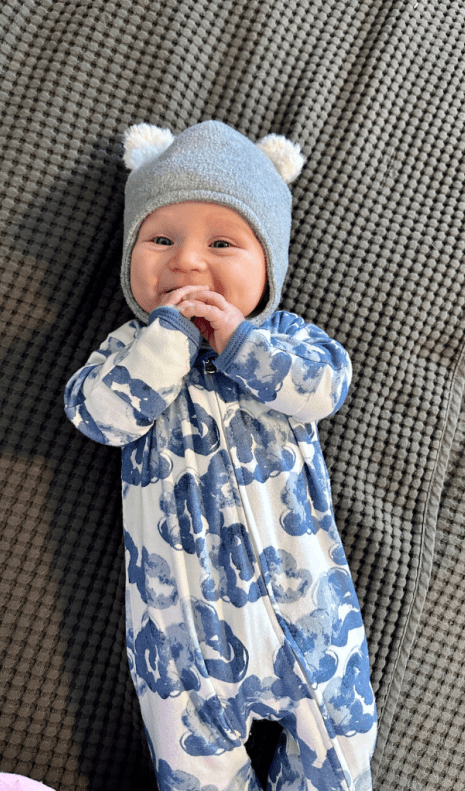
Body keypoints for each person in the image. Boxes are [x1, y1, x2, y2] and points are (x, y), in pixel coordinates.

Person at [64, 120, 377, 791]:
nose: (186, 263)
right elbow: (98, 416)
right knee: (194, 773)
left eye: (223, 243)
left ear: (270, 266)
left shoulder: (286, 338)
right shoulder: (129, 348)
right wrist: (164, 346)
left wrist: (240, 341)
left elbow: (325, 386)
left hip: (308, 619)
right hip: (180, 639)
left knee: (342, 752)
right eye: (161, 240)